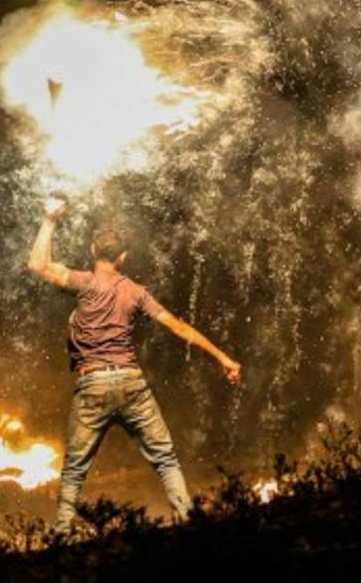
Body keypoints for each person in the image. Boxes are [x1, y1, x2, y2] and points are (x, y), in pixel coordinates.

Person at [26, 196, 241, 534]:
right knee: (165, 459)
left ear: (93, 250)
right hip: (131, 384)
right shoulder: (137, 292)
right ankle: (189, 523)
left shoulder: (83, 282)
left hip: (93, 385)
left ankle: (62, 535)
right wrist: (223, 357)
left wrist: (50, 220)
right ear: (123, 257)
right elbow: (179, 327)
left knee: (74, 470)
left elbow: (38, 265)